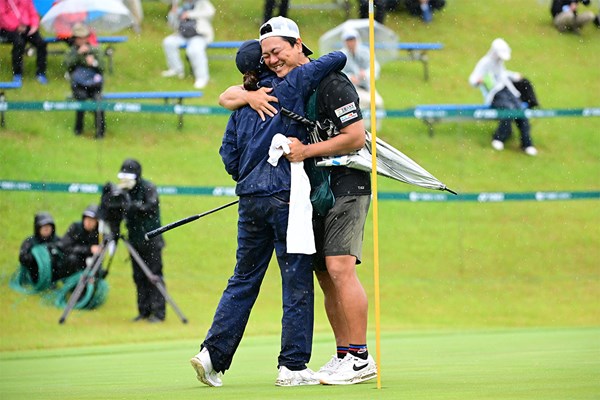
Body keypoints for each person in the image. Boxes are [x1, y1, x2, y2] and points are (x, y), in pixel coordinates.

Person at [226, 16, 376, 385]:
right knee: (323, 273)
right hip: (309, 192)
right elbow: (228, 95)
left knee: (340, 267)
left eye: (277, 52)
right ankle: (343, 354)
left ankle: (360, 357)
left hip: (346, 183)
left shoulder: (332, 83)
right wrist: (247, 94)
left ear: (297, 45)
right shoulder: (281, 87)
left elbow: (355, 137)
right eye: (266, 56)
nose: (271, 60)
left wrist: (306, 150)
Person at [191, 36, 348, 387]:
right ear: (263, 63)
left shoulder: (240, 106)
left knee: (243, 278)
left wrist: (252, 175)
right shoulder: (288, 87)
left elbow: (229, 157)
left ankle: (212, 354)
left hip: (250, 200)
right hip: (286, 199)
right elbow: (337, 57)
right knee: (296, 280)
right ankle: (292, 366)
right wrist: (297, 53)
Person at [469, 38, 538, 156]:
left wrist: (514, 75)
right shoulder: (485, 62)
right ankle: (499, 138)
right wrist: (479, 81)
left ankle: (527, 144)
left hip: (508, 91)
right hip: (495, 95)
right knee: (508, 110)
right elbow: (472, 79)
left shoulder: (499, 63)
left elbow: (503, 74)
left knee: (521, 112)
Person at [117, 159, 166, 323]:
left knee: (154, 275)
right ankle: (143, 310)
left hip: (151, 239)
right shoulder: (124, 191)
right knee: (138, 276)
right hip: (134, 239)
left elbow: (150, 207)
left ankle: (158, 313)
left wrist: (133, 206)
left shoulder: (148, 187)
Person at [64, 23, 105, 138]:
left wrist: (94, 63)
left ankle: (100, 132)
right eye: (79, 37)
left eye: (84, 37)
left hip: (94, 85)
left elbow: (102, 67)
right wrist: (78, 55)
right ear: (75, 38)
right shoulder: (71, 52)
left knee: (98, 101)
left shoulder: (95, 50)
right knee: (81, 99)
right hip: (79, 85)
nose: (82, 40)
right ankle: (78, 129)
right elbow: (67, 66)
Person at [162, 0, 215, 89]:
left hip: (199, 35)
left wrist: (190, 14)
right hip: (182, 35)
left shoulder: (202, 3)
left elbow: (211, 12)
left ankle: (202, 78)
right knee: (168, 42)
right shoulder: (180, 5)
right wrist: (173, 14)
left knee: (194, 51)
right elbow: (172, 23)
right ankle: (176, 70)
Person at [340, 27, 384, 131]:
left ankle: (376, 131)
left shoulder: (365, 52)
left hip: (367, 87)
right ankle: (364, 131)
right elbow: (340, 73)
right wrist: (350, 77)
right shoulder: (341, 55)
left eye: (353, 39)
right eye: (348, 40)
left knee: (378, 103)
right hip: (353, 88)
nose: (351, 43)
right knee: (362, 107)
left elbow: (375, 67)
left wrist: (366, 74)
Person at [0, 0, 48, 84]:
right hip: (7, 29)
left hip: (26, 27)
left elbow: (33, 13)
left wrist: (34, 25)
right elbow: (2, 17)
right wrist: (15, 26)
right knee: (19, 43)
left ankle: (41, 73)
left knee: (41, 43)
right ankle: (17, 73)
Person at [18, 212, 62, 286]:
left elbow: (66, 254)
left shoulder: (58, 241)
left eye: (48, 226)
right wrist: (37, 256)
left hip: (54, 275)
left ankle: (52, 281)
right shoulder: (30, 242)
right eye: (44, 226)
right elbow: (22, 258)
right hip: (36, 275)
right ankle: (41, 282)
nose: (46, 229)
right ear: (38, 228)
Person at [58, 204, 100, 279]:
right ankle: (70, 280)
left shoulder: (98, 234)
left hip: (86, 260)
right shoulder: (75, 228)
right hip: (70, 260)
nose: (88, 222)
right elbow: (65, 247)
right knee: (72, 259)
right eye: (87, 219)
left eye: (92, 220)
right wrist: (89, 249)